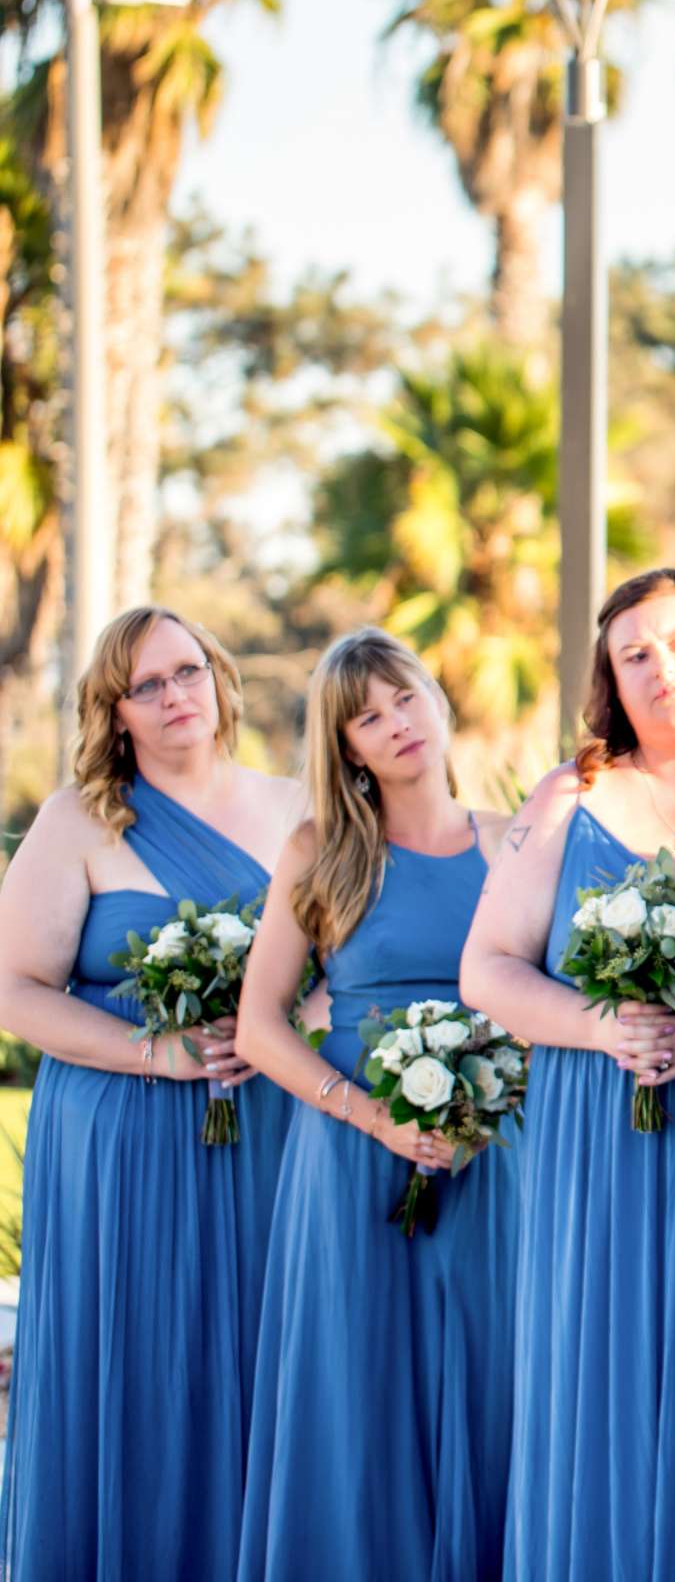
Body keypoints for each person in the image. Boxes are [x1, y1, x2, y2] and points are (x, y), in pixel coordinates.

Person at [462, 568, 675, 1580]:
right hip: (591, 1131)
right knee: (595, 1367)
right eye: (635, 653)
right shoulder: (573, 794)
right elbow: (488, 971)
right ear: (609, 675)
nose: (665, 670)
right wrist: (599, 1023)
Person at [0, 605, 304, 1578]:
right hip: (120, 1132)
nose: (174, 695)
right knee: (135, 1360)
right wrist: (155, 1050)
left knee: (265, 1353)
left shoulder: (301, 804)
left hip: (270, 1118)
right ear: (115, 711)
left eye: (186, 671)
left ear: (218, 678)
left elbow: (347, 961)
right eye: (147, 685)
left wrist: (292, 1027)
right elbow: (14, 990)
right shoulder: (80, 820)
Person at [234, 627, 517, 1580]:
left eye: (405, 698)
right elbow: (259, 1026)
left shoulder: (512, 842)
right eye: (366, 716)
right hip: (352, 1155)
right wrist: (370, 1117)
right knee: (358, 1384)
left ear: (438, 700)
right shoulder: (321, 854)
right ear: (344, 745)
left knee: (486, 1374)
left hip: (494, 1155)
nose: (395, 725)